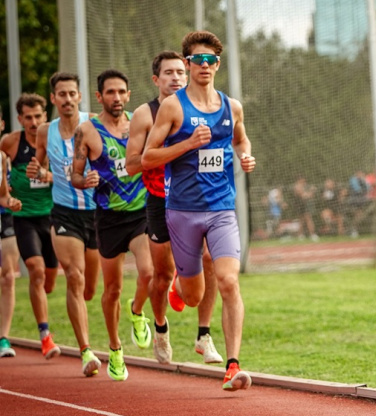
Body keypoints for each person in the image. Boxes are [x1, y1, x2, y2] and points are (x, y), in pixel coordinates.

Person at [142, 31, 255, 391]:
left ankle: (233, 365)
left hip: (222, 208)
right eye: (198, 60)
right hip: (182, 212)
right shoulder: (174, 107)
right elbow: (147, 157)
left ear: (217, 65)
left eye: (211, 61)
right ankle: (180, 284)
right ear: (188, 64)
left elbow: (240, 137)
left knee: (228, 281)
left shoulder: (231, 106)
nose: (204, 66)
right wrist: (189, 144)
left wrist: (245, 155)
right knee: (192, 296)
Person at [125, 51, 223, 366]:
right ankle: (161, 327)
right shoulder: (144, 114)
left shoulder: (205, 108)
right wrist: (181, 147)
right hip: (160, 200)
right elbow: (131, 166)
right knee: (162, 272)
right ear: (156, 79)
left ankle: (204, 335)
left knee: (210, 259)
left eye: (181, 72)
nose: (176, 78)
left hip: (197, 199)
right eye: (169, 73)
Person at [71, 69, 153, 381]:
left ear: (128, 95)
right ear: (100, 96)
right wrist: (84, 180)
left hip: (140, 212)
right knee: (112, 289)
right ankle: (116, 349)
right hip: (108, 217)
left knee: (148, 272)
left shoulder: (140, 123)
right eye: (110, 92)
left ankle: (137, 312)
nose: (116, 98)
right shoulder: (87, 131)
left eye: (121, 92)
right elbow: (75, 175)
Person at [25, 72, 102, 376]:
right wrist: (37, 170)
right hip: (65, 212)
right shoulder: (46, 131)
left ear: (79, 97)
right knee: (74, 276)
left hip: (97, 212)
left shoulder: (93, 122)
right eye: (62, 94)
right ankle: (86, 352)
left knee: (90, 289)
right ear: (53, 99)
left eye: (72, 93)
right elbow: (40, 164)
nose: (67, 99)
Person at [0, 93, 61, 360]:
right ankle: (45, 336)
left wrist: (47, 175)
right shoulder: (11, 143)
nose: (33, 122)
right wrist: (6, 192)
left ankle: (43, 297)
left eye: (38, 116)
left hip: (54, 216)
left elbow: (72, 175)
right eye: (28, 117)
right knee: (34, 271)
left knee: (48, 280)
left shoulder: (56, 139)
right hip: (23, 217)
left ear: (45, 115)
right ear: (19, 119)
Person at [0, 132, 23, 357]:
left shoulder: (3, 158)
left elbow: (3, 195)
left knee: (7, 277)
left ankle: (3, 338)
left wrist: (12, 202)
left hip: (4, 217)